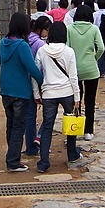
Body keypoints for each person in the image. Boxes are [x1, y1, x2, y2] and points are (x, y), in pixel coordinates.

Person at [0, 13, 44, 172]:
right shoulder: (22, 46)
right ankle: (12, 161)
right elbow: (32, 68)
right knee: (19, 126)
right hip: (21, 92)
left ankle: (12, 155)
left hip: (5, 90)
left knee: (10, 124)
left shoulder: (3, 42)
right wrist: (42, 81)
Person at [33, 22, 80, 172]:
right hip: (67, 92)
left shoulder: (42, 51)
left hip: (49, 93)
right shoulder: (69, 51)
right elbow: (73, 76)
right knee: (71, 123)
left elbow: (35, 74)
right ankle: (72, 154)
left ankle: (44, 161)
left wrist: (36, 93)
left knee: (47, 126)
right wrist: (77, 97)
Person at [66, 5, 104, 141]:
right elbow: (101, 48)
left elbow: (67, 48)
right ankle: (88, 131)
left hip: (74, 69)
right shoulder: (94, 29)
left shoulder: (69, 29)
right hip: (91, 69)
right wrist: (94, 58)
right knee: (90, 100)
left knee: (76, 100)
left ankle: (75, 128)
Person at [25, 16, 51, 156]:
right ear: (41, 29)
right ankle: (38, 140)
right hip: (36, 80)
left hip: (23, 80)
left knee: (28, 116)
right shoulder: (40, 45)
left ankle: (30, 146)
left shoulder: (26, 39)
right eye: (47, 30)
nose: (48, 33)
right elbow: (40, 68)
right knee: (46, 115)